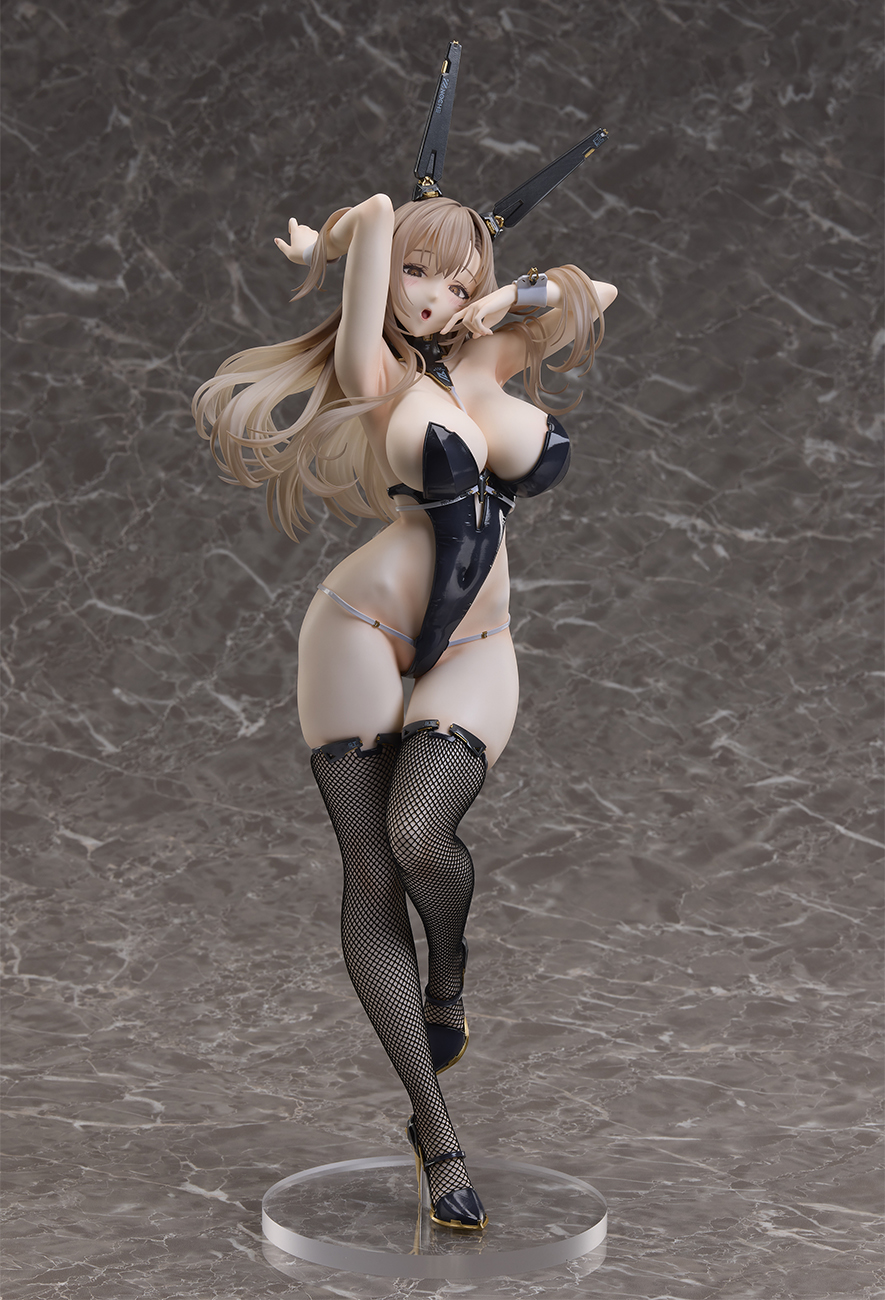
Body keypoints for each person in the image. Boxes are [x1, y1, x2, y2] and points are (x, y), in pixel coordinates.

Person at [193, 57, 616, 1231]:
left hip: (475, 644)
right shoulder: (374, 370)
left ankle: (451, 971)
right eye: (417, 275)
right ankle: (437, 1131)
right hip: (360, 631)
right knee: (373, 866)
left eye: (450, 278)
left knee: (424, 833)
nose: (430, 294)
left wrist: (509, 292)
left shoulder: (492, 356)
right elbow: (383, 218)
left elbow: (598, 291)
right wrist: (351, 233)